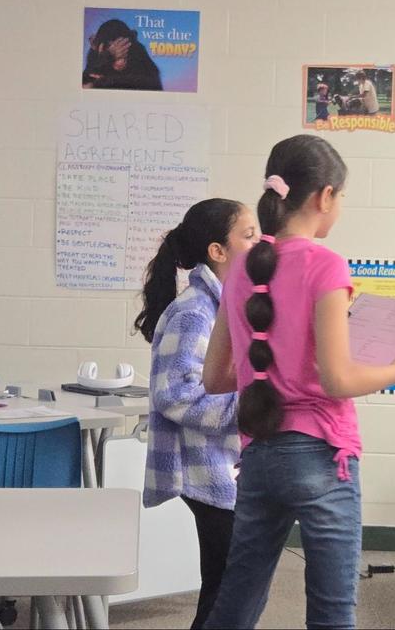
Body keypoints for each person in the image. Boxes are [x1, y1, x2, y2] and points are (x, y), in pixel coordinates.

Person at [200, 134, 395, 629]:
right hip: (321, 455)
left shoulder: (241, 267)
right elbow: (338, 380)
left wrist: (272, 364)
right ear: (325, 196)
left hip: (259, 454)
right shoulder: (326, 265)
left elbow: (215, 377)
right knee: (333, 613)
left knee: (236, 603)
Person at [133, 198, 259, 630]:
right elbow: (174, 395)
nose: (259, 243)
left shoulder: (224, 306)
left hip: (222, 466)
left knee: (229, 590)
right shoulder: (194, 312)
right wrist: (248, 408)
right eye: (248, 235)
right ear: (217, 251)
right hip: (205, 472)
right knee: (226, 595)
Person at [82, 18, 163, 91]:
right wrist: (108, 56)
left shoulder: (137, 51)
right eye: (113, 49)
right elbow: (84, 84)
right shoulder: (97, 54)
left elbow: (150, 85)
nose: (120, 60)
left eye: (123, 50)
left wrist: (105, 81)